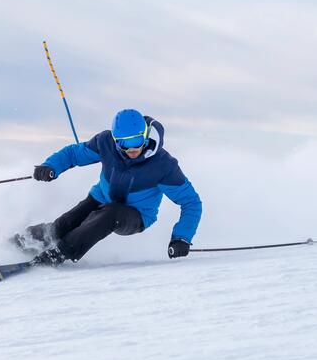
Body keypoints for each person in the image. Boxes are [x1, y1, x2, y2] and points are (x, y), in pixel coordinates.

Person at [11, 108, 202, 266]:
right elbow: (75, 154)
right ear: (115, 140)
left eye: (136, 141)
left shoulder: (163, 165)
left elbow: (191, 202)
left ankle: (57, 255)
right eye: (124, 143)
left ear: (145, 135)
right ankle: (16, 244)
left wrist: (181, 237)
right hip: (101, 198)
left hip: (136, 215)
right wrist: (51, 166)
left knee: (112, 213)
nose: (132, 149)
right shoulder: (106, 143)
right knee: (65, 224)